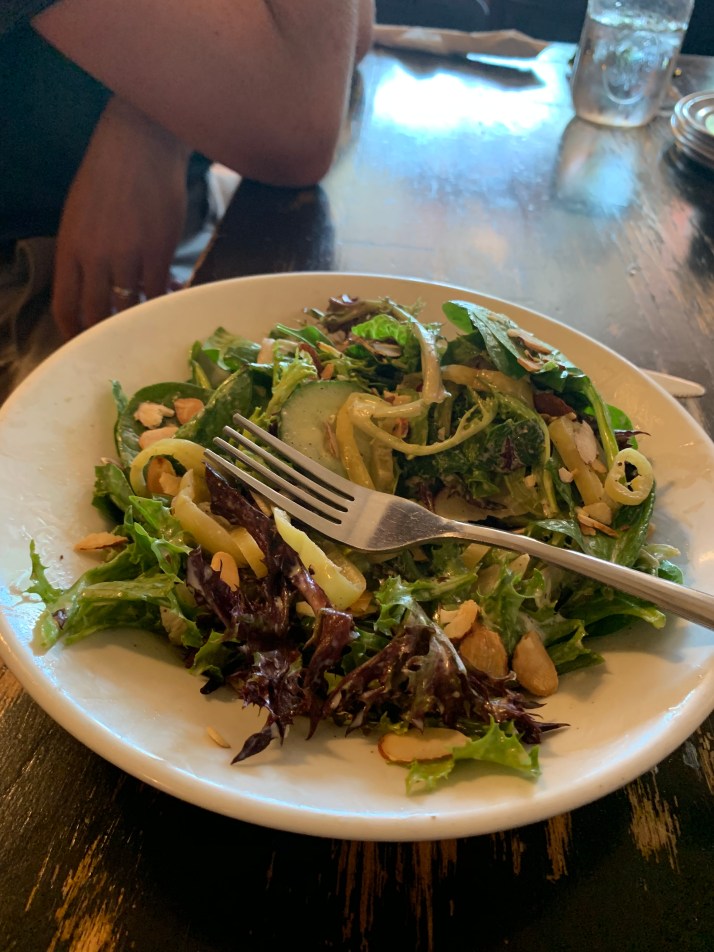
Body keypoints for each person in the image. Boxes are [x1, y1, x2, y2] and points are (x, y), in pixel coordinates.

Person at [0, 1, 375, 401]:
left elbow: (352, 33)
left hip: (186, 216)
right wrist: (170, 95)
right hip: (36, 271)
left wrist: (146, 121)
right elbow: (304, 117)